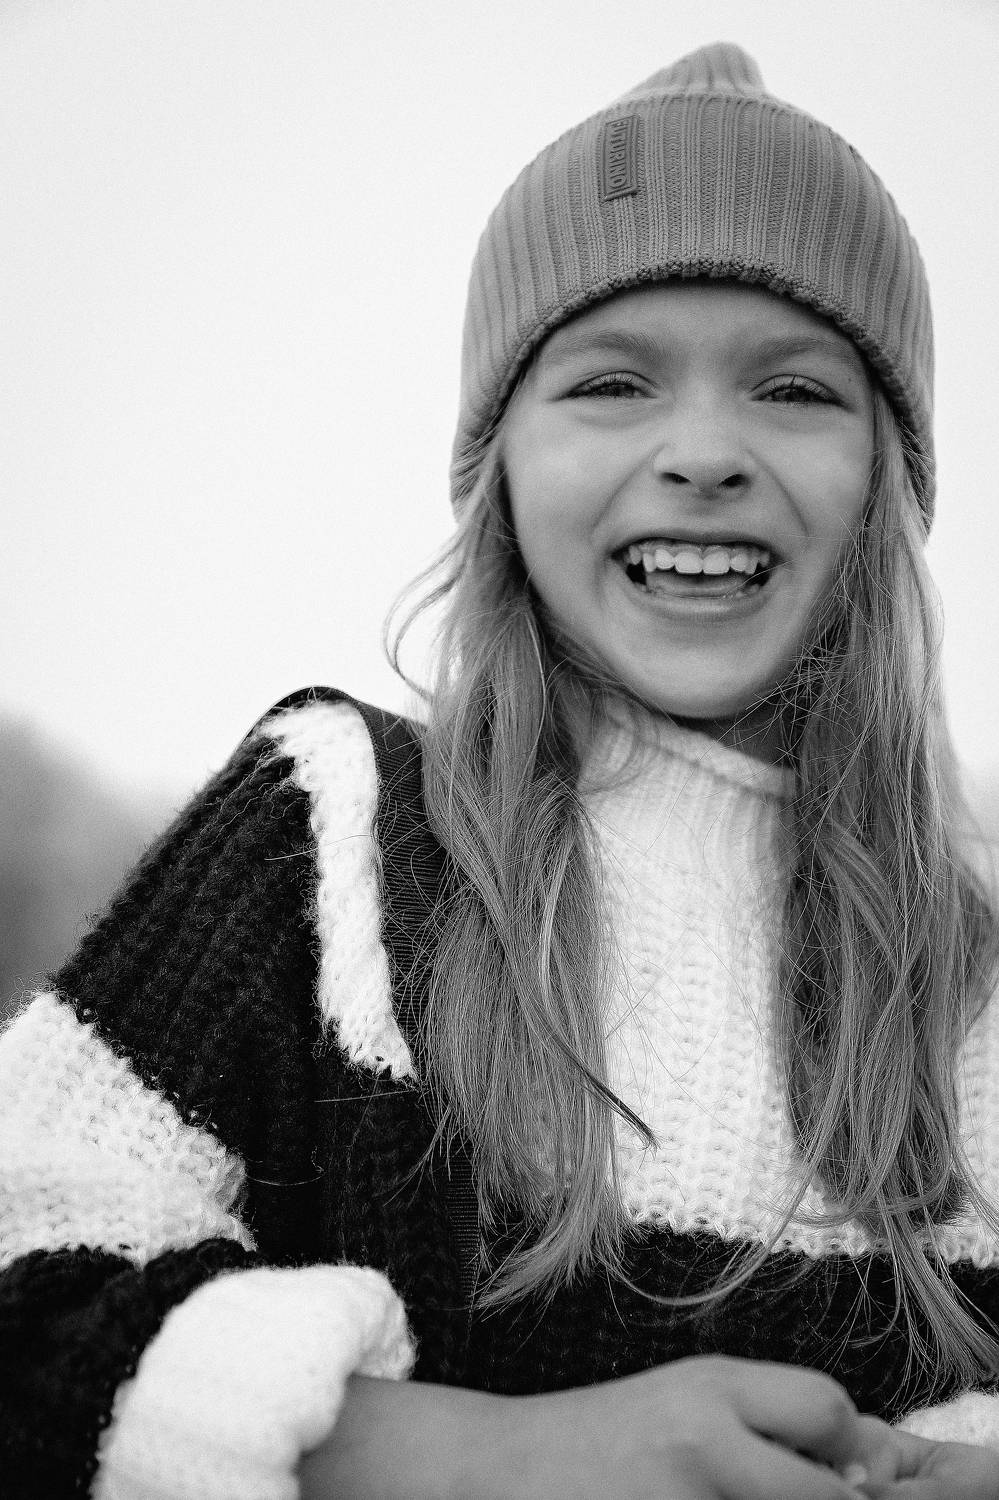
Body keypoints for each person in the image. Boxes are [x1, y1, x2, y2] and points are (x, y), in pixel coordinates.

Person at [3, 38, 999, 1500]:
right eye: (613, 382)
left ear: (886, 486)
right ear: (502, 472)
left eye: (794, 389)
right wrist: (508, 1459)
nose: (705, 451)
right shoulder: (338, 832)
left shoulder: (972, 979)